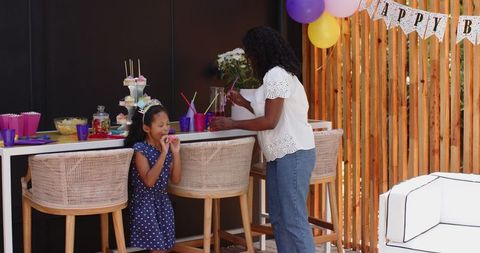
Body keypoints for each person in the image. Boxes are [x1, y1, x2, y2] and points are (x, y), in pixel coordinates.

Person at [210, 26, 316, 253]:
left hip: (293, 153)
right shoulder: (274, 76)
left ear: (260, 51)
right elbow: (268, 112)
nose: (248, 58)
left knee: (294, 219)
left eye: (250, 52)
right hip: (279, 154)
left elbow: (270, 121)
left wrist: (233, 123)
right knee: (279, 218)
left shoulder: (276, 74)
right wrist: (244, 103)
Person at [125, 100, 181, 253]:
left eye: (167, 124)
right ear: (146, 128)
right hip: (144, 204)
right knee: (158, 249)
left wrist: (175, 153)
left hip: (162, 201)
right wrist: (163, 153)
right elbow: (149, 181)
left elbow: (175, 180)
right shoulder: (141, 149)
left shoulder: (167, 148)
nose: (166, 129)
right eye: (160, 125)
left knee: (165, 247)